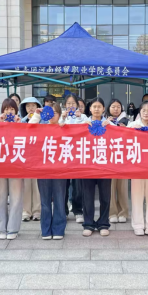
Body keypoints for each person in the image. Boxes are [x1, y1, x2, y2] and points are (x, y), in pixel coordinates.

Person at [30, 103, 68, 240]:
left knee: (59, 200)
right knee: (45, 201)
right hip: (43, 170)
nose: (51, 115)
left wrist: (64, 122)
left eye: (54, 113)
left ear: (59, 114)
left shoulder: (64, 127)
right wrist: (37, 115)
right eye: (48, 112)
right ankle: (45, 230)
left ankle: (58, 229)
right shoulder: (41, 127)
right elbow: (28, 129)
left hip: (60, 170)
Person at [0, 98, 24, 241]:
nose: (9, 112)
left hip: (16, 165)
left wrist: (19, 125)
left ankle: (13, 228)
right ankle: (1, 228)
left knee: (16, 198)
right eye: (6, 109)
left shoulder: (21, 123)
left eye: (12, 109)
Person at [128, 100, 148, 237]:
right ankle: (138, 225)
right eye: (143, 110)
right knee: (136, 196)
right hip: (137, 167)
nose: (146, 113)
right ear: (139, 112)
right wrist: (132, 131)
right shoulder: (132, 125)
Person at [82, 97, 113, 237]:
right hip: (87, 166)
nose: (96, 109)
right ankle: (88, 223)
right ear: (90, 109)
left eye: (99, 106)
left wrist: (111, 126)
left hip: (105, 166)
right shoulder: (83, 123)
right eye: (94, 106)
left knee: (105, 196)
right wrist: (82, 127)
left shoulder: (109, 124)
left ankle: (103, 223)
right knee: (87, 196)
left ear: (103, 109)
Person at [62, 94, 89, 224]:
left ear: (77, 105)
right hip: (64, 153)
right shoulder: (62, 116)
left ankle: (78, 210)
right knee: (64, 185)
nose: (71, 106)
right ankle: (64, 211)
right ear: (65, 105)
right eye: (68, 103)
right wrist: (62, 118)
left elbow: (88, 127)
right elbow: (55, 127)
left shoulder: (83, 117)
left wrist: (79, 119)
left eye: (73, 103)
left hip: (78, 154)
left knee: (78, 185)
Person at [107, 99, 130, 224]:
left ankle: (123, 212)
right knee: (110, 188)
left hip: (122, 158)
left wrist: (126, 130)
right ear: (108, 108)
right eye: (113, 106)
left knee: (122, 187)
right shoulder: (104, 121)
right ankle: (112, 213)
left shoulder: (127, 121)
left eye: (118, 106)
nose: (116, 109)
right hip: (109, 158)